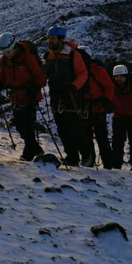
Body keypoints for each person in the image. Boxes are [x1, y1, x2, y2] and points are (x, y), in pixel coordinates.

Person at [0, 32, 45, 161]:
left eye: (8, 51)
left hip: (29, 96)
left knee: (27, 124)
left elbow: (40, 76)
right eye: (4, 52)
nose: (7, 54)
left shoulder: (28, 58)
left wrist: (34, 88)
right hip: (16, 97)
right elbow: (3, 76)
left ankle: (29, 152)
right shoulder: (4, 60)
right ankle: (35, 148)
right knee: (20, 125)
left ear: (13, 47)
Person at [42, 26, 92, 166]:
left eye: (52, 38)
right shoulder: (49, 55)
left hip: (71, 95)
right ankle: (72, 157)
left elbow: (83, 73)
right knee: (62, 127)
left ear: (60, 39)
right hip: (56, 95)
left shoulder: (72, 54)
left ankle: (86, 155)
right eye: (49, 38)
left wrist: (74, 86)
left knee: (74, 126)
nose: (50, 41)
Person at [81, 49, 116, 168]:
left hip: (96, 108)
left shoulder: (96, 70)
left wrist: (105, 101)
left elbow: (109, 87)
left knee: (99, 137)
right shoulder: (90, 69)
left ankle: (105, 163)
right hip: (89, 108)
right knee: (88, 136)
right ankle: (97, 162)